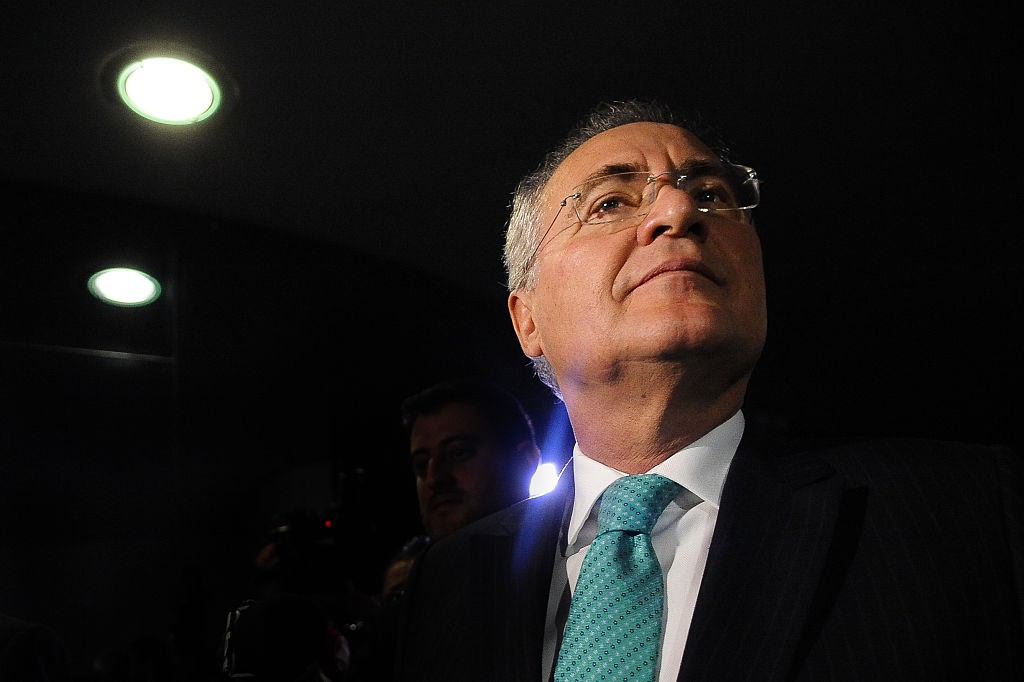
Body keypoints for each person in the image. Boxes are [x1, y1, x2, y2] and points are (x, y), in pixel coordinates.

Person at [392, 99, 1024, 681]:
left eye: (713, 194)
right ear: (527, 318)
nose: (678, 212)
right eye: (609, 202)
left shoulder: (971, 511)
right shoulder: (448, 583)